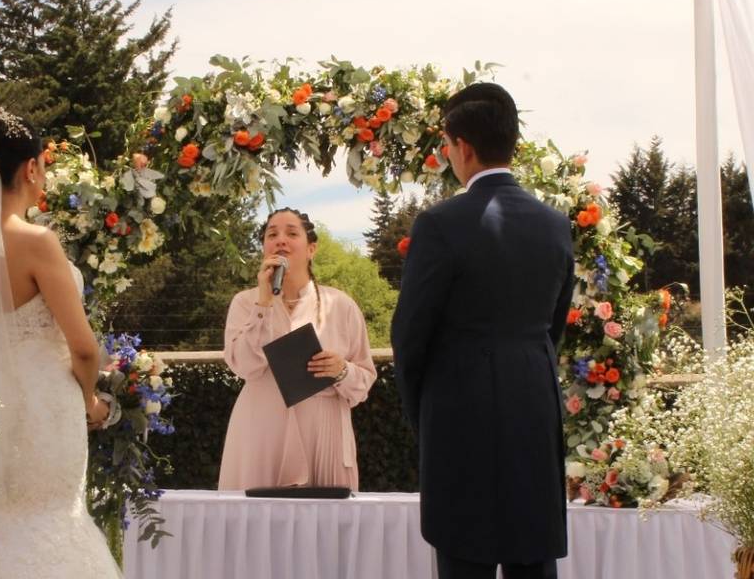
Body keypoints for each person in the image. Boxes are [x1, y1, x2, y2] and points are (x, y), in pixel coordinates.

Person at [391, 83, 574, 579]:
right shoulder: (556, 225)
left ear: (462, 147)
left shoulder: (439, 224)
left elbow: (410, 338)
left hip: (458, 418)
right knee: (533, 559)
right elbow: (552, 326)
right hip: (534, 407)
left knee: (464, 562)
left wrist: (423, 414)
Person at [0, 108, 121, 578]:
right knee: (52, 519)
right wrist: (91, 400)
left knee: (4, 520)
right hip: (46, 407)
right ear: (30, 167)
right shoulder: (35, 240)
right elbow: (83, 347)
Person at [218, 208, 377, 490]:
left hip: (324, 436)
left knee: (325, 529)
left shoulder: (341, 305)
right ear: (264, 247)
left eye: (292, 233)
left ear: (311, 248)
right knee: (257, 528)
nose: (281, 240)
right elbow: (243, 366)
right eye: (272, 234)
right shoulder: (245, 303)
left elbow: (363, 382)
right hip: (261, 435)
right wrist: (263, 305)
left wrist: (342, 370)